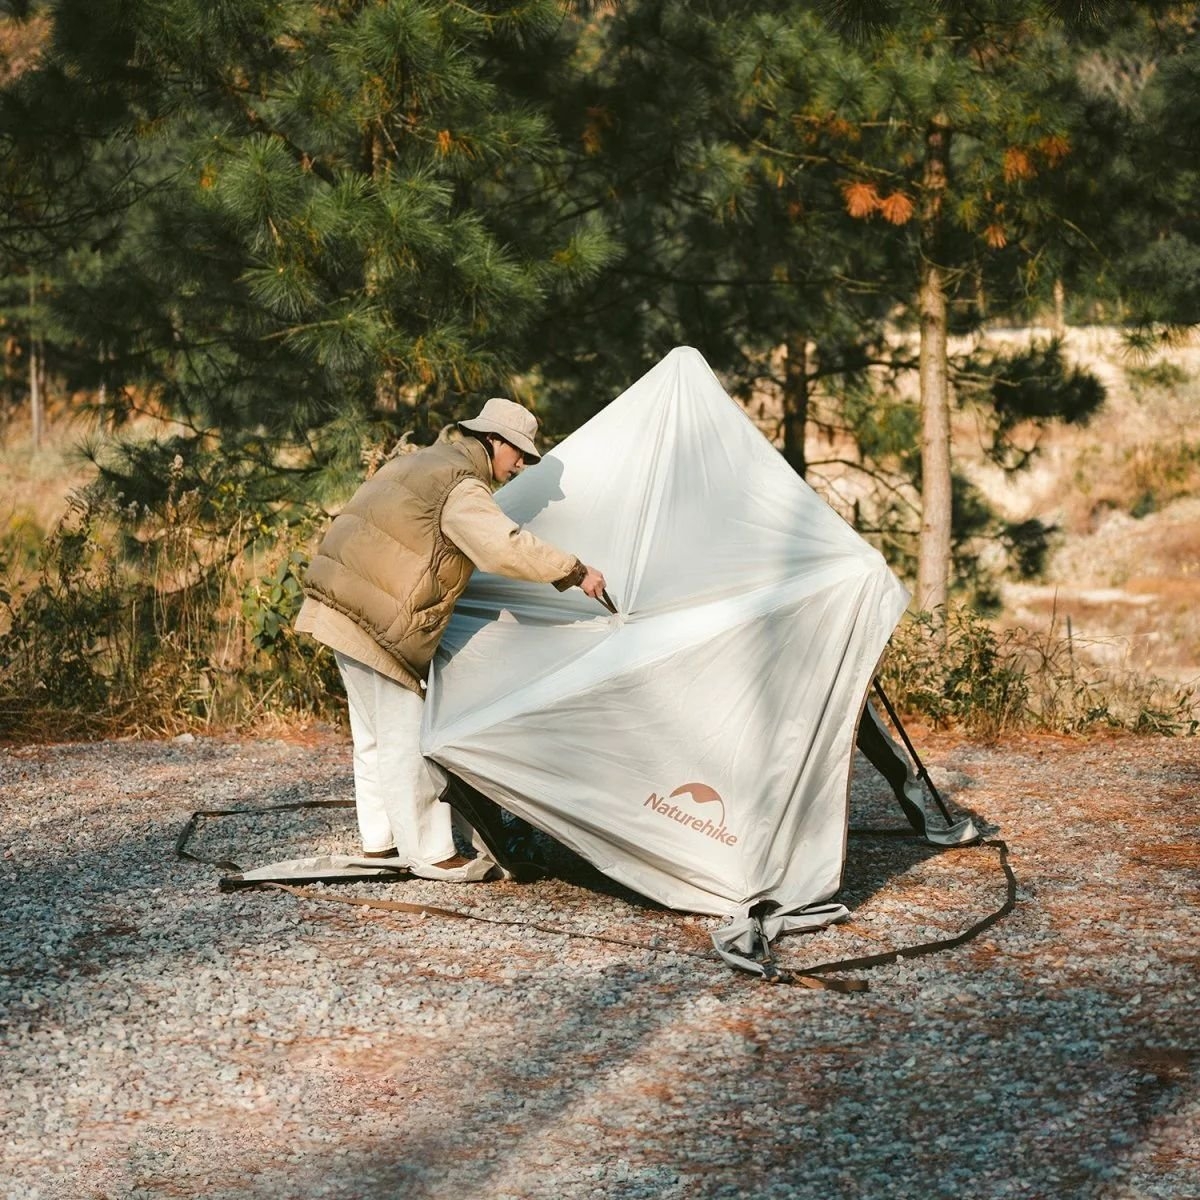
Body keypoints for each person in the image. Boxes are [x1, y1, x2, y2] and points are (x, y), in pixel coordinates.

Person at [295, 397, 606, 881]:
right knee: (407, 737)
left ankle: (380, 842)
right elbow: (501, 548)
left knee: (373, 737)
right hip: (375, 621)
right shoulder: (461, 485)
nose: (521, 465)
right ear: (493, 441)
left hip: (337, 606)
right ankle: (433, 853)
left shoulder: (420, 460)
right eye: (518, 453)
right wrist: (574, 570)